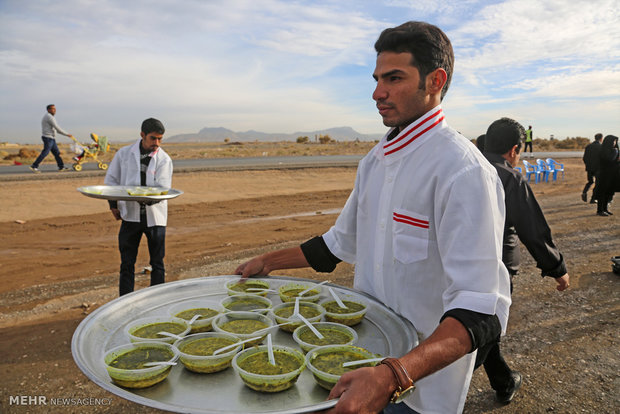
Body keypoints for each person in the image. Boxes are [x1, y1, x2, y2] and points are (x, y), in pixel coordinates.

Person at [235, 21, 511, 414]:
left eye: (394, 78)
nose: (377, 93)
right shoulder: (375, 161)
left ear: (435, 80)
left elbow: (480, 311)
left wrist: (392, 376)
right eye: (377, 78)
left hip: (420, 388)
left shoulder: (462, 170)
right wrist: (268, 261)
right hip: (360, 363)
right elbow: (336, 245)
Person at [477, 117, 570, 403]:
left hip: (457, 263)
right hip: (496, 268)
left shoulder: (468, 168)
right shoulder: (509, 176)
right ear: (515, 149)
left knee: (481, 326)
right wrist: (557, 268)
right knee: (483, 330)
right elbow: (533, 229)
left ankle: (503, 380)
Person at [104, 118, 173, 296]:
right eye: (153, 138)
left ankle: (157, 300)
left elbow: (162, 189)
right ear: (142, 135)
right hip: (130, 217)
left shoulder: (164, 159)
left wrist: (145, 200)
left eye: (160, 139)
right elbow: (112, 180)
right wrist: (113, 204)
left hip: (155, 218)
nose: (156, 143)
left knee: (157, 262)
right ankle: (124, 300)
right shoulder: (124, 154)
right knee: (127, 263)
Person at [30, 104, 74, 172]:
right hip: (48, 138)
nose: (55, 110)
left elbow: (56, 130)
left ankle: (61, 167)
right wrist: (67, 134)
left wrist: (66, 134)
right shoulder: (49, 117)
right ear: (48, 110)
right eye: (53, 109)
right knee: (45, 152)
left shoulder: (50, 117)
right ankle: (34, 166)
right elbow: (57, 128)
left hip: (51, 138)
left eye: (55, 109)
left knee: (57, 153)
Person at [596, 135, 619, 216]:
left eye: (615, 141)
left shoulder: (612, 150)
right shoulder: (604, 150)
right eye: (613, 141)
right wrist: (616, 152)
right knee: (602, 192)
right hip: (604, 175)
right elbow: (610, 159)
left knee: (609, 192)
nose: (615, 143)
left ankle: (605, 209)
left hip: (612, 175)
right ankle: (600, 210)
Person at [582, 133, 603, 203]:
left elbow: (584, 158)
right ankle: (593, 198)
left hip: (589, 168)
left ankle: (584, 192)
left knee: (590, 181)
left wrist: (588, 165)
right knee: (598, 183)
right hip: (598, 168)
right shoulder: (601, 147)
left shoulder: (588, 146)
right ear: (601, 138)